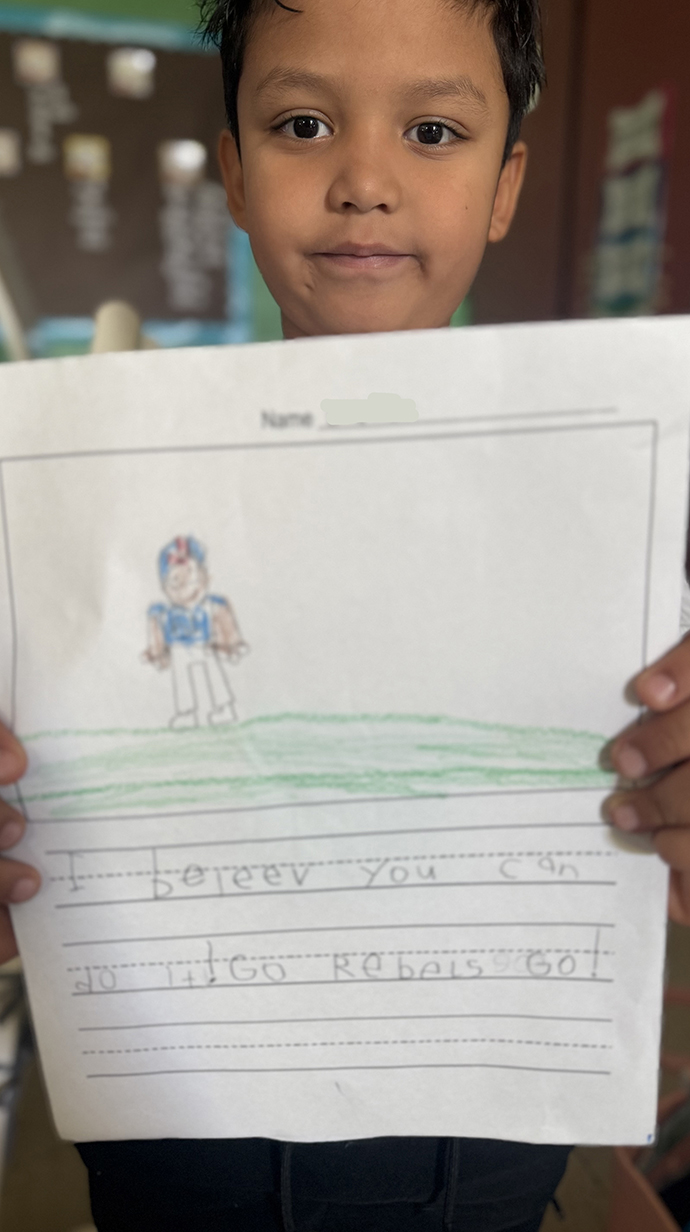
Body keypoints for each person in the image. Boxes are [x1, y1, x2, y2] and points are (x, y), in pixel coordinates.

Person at [1, 0, 689, 1226]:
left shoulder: (621, 501)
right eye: (304, 123)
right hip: (169, 1133)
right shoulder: (81, 502)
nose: (365, 180)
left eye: (432, 130)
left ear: (504, 183)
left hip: (476, 1147)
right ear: (235, 175)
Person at [144, 535, 248, 728]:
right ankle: (186, 713)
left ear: (203, 577)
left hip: (206, 645)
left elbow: (224, 620)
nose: (186, 587)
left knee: (214, 674)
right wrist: (157, 653)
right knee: (181, 678)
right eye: (176, 580)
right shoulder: (163, 613)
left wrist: (231, 644)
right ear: (165, 586)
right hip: (178, 650)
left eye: (191, 576)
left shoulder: (211, 605)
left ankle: (223, 707)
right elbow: (157, 633)